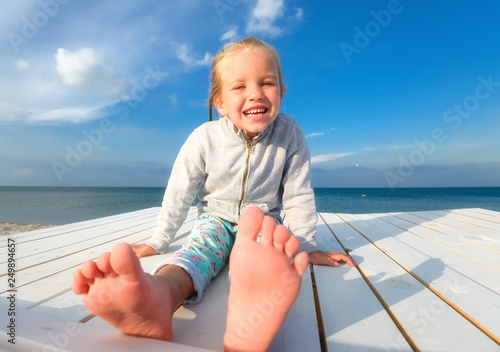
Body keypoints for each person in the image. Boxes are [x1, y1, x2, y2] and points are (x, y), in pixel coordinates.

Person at [72, 36, 356, 349]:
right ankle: (160, 296)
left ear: (281, 91)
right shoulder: (203, 138)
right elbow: (180, 190)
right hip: (215, 220)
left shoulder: (291, 134)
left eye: (266, 83)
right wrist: (160, 239)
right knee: (195, 256)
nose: (255, 94)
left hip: (263, 224)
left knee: (271, 263)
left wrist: (304, 244)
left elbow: (298, 193)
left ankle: (254, 310)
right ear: (219, 102)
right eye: (240, 87)